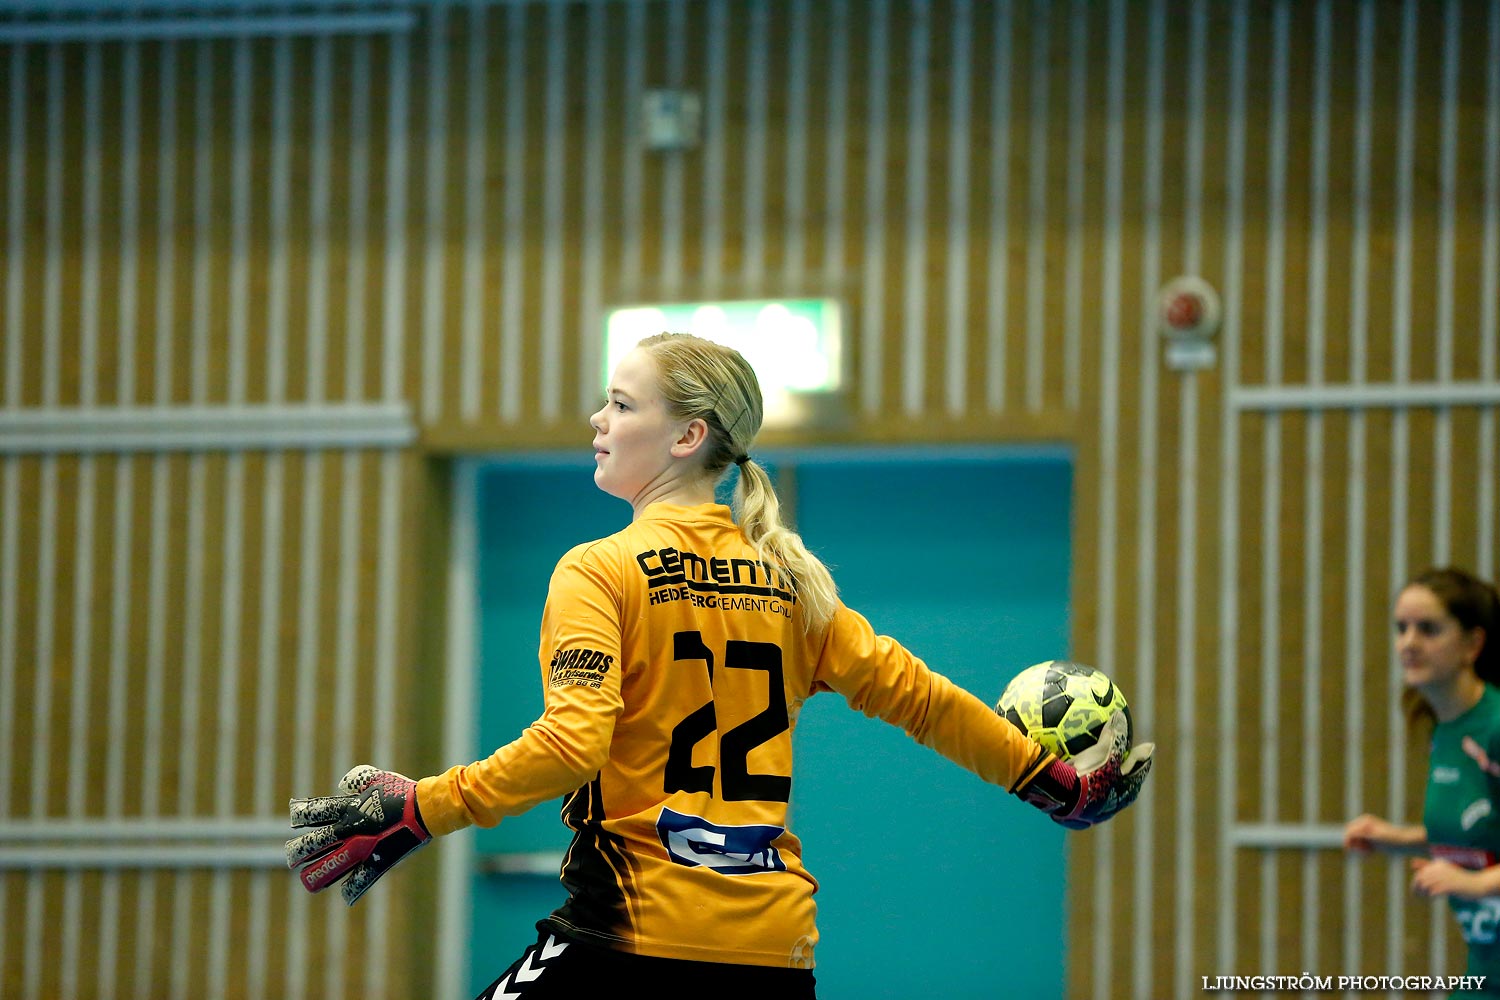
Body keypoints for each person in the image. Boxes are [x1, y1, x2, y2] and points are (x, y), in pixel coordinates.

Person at [286, 332, 1154, 998]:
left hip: (628, 935)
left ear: (686, 435)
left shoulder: (600, 569)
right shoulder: (791, 586)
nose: (598, 420)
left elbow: (571, 744)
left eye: (621, 405)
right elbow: (921, 700)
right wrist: (1049, 781)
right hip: (773, 954)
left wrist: (422, 808)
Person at [1344, 566, 1500, 992]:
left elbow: (1478, 867)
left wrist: (1474, 884)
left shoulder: (1496, 728)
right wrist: (1397, 837)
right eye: (1402, 628)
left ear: (1472, 643)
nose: (1409, 643)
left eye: (1428, 629)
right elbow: (1482, 835)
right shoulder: (1445, 731)